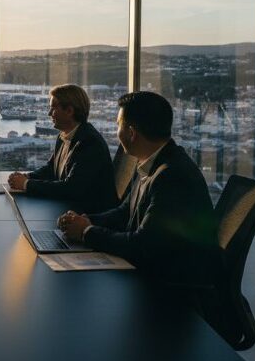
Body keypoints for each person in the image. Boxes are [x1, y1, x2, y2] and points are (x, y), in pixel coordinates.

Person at [56, 91, 218, 283]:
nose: (116, 132)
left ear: (132, 133)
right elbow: (126, 211)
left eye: (118, 125)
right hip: (154, 273)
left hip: (173, 291)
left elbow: (142, 245)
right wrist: (86, 220)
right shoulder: (153, 161)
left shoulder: (172, 176)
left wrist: (86, 232)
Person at [7, 84, 117, 212]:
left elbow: (71, 188)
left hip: (90, 216)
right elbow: (51, 169)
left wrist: (26, 184)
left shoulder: (89, 142)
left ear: (69, 111)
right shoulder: (64, 136)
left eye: (53, 108)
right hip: (69, 209)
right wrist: (27, 177)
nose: (49, 113)